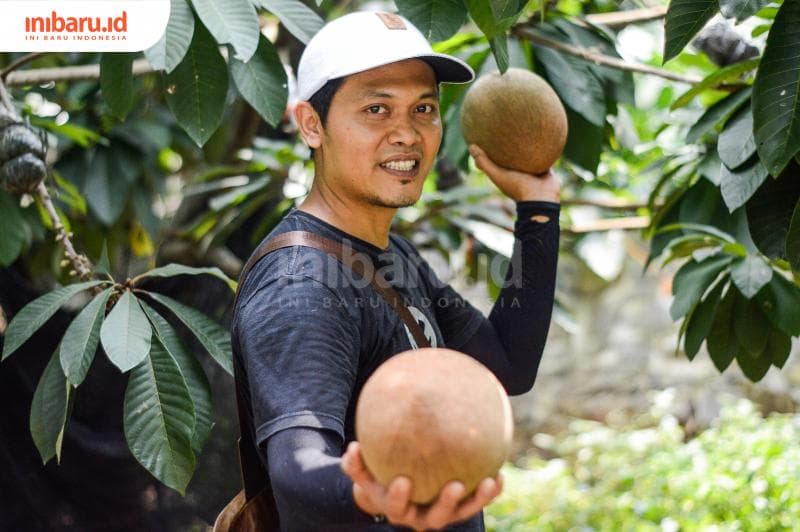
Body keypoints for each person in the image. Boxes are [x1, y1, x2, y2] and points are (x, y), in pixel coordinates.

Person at [232, 10, 560, 531]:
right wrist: (381, 494)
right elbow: (296, 470)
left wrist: (537, 211)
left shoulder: (389, 254)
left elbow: (507, 368)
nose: (406, 133)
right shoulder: (302, 283)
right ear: (312, 125)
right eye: (376, 109)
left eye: (423, 109)